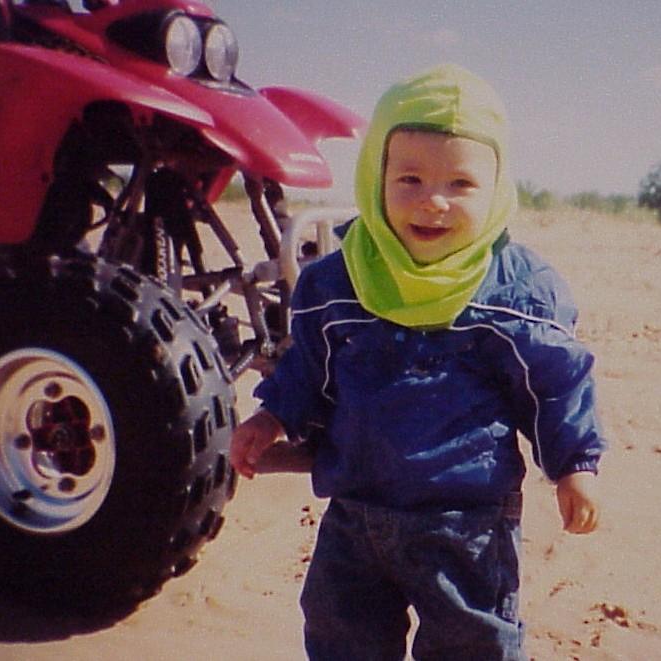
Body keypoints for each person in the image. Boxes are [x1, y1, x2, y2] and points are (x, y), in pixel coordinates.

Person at [230, 64, 606, 661]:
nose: (434, 201)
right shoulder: (338, 282)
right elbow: (308, 368)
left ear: (497, 188)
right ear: (375, 175)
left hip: (466, 522)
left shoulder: (516, 291)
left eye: (461, 183)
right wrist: (271, 418)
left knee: (471, 645)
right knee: (341, 638)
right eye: (409, 178)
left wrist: (574, 466)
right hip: (355, 512)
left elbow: (555, 385)